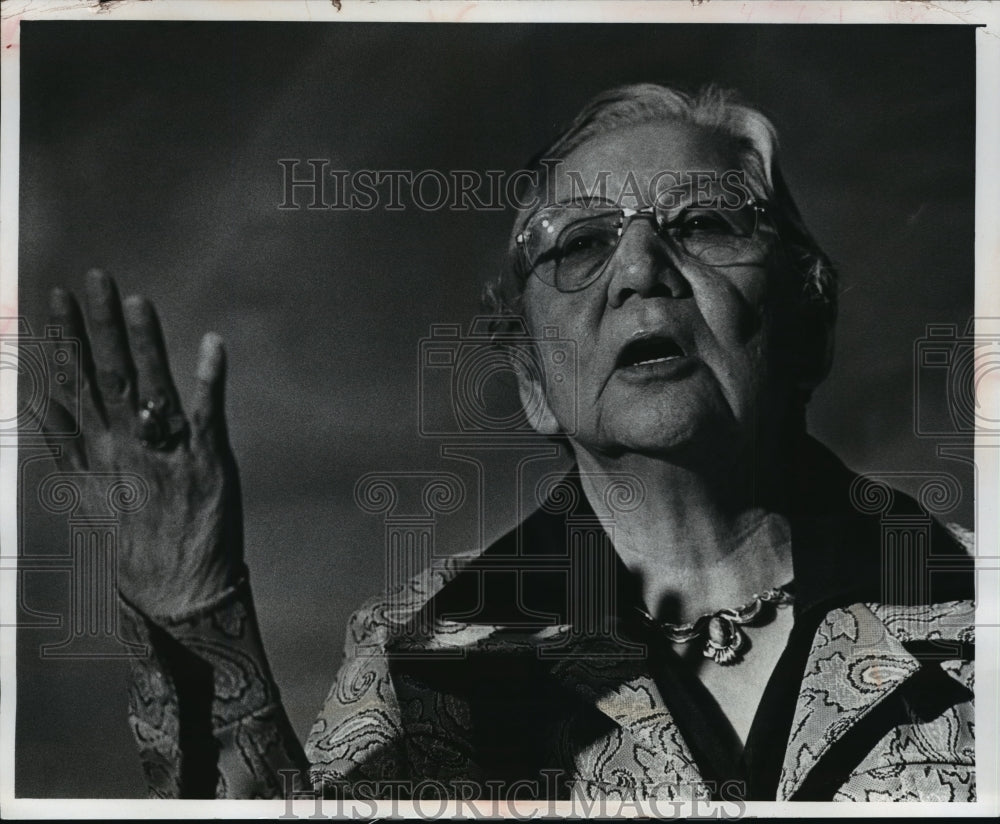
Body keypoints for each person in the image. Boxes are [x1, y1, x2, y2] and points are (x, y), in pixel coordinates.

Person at [41, 83, 975, 803]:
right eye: (580, 246)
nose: (640, 269)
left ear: (811, 327)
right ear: (531, 380)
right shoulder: (425, 660)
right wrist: (196, 614)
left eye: (703, 222)